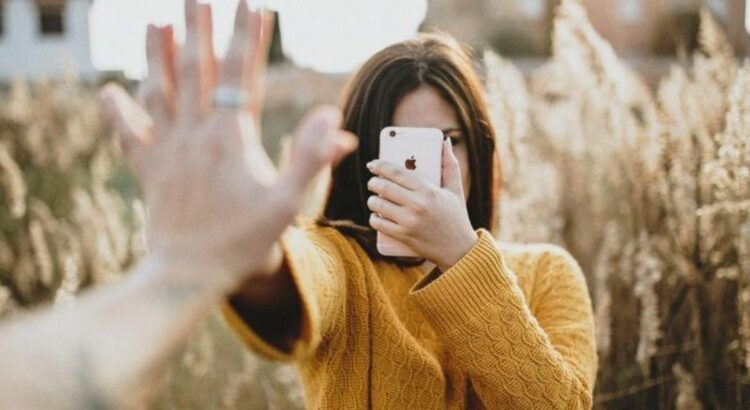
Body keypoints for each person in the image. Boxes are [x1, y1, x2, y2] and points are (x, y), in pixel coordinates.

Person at [0, 1, 356, 408]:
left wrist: (185, 265)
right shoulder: (348, 258)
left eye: (447, 138)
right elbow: (324, 284)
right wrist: (189, 264)